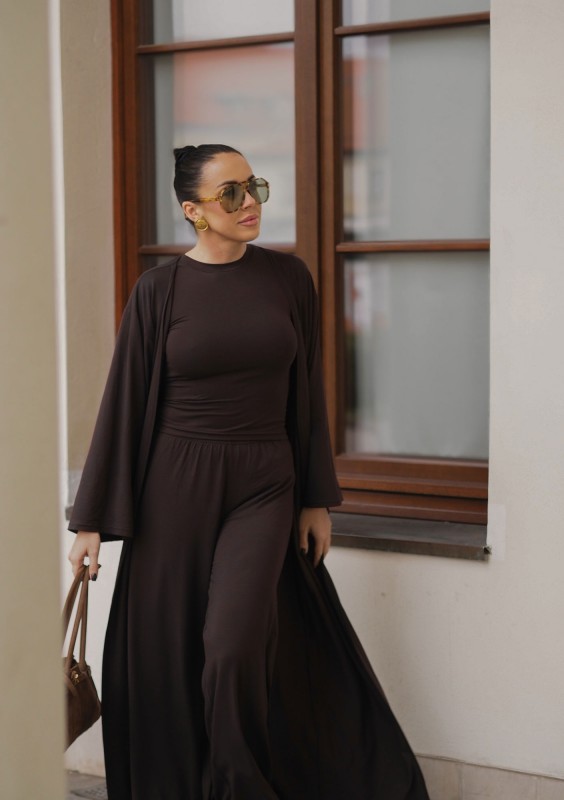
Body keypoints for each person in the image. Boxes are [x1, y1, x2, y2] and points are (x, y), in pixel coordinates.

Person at [68, 144, 430, 800]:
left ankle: (239, 786)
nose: (251, 202)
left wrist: (315, 498)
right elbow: (123, 401)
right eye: (230, 193)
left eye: (254, 186)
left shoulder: (288, 279)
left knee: (234, 645)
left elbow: (307, 392)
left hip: (265, 482)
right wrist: (90, 521)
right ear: (193, 211)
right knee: (172, 650)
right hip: (174, 486)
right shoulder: (158, 291)